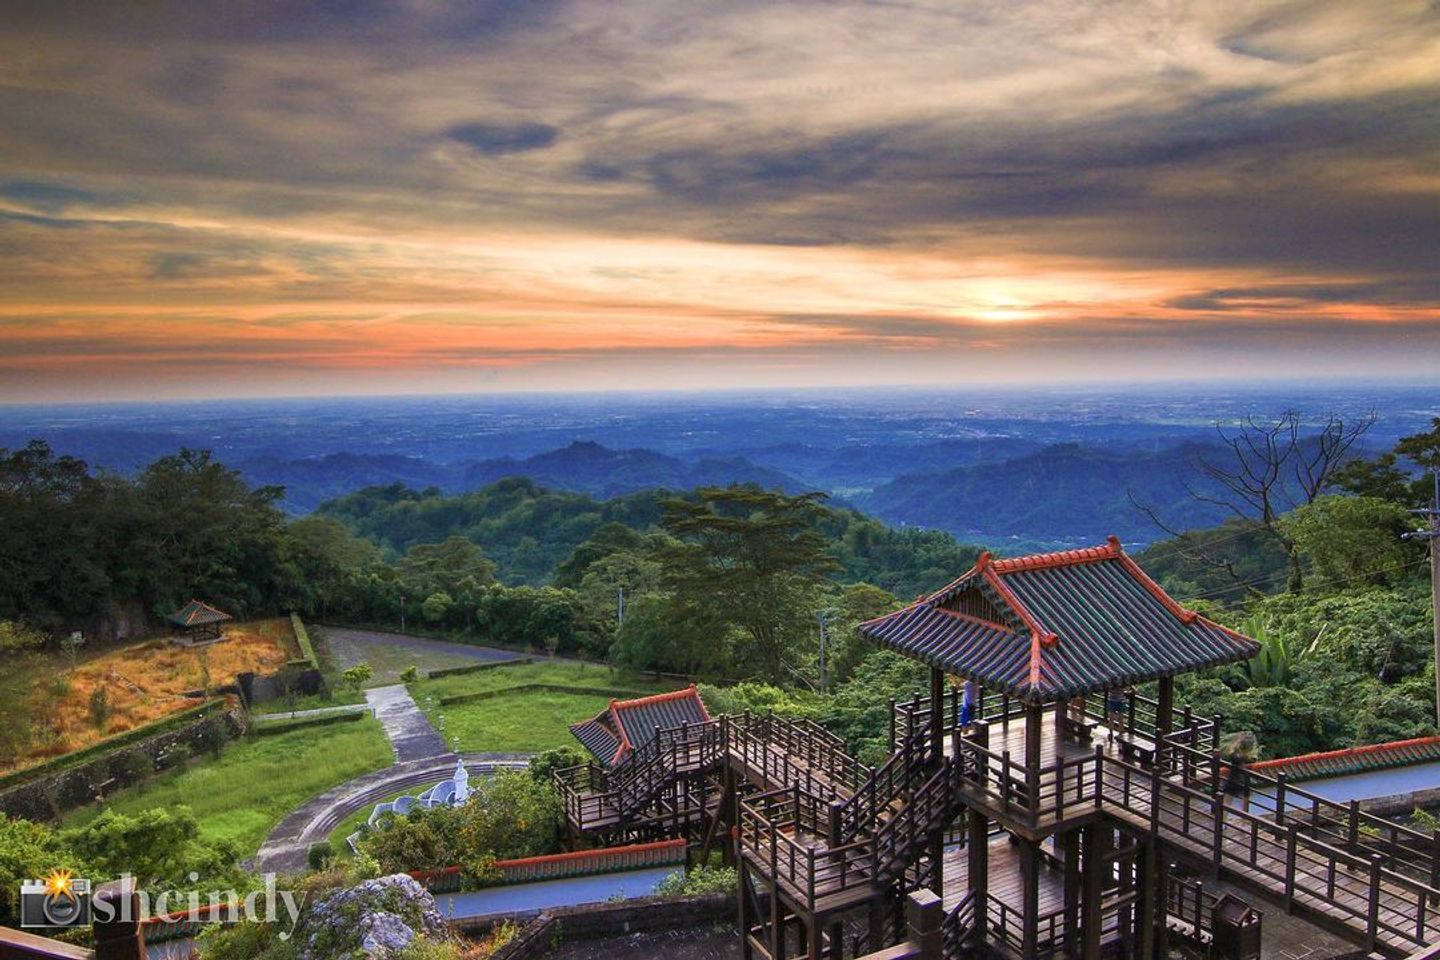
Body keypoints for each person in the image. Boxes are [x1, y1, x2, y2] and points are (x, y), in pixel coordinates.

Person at [1221, 732, 1258, 811]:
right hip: (1244, 781)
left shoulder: (1235, 754)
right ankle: (1245, 819)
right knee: (1245, 805)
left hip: (1233, 779)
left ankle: (1221, 820)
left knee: (1226, 804)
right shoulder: (1248, 757)